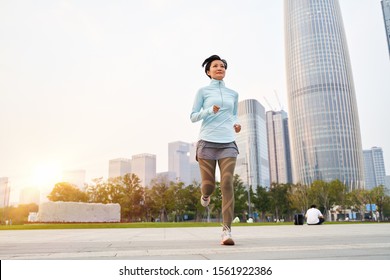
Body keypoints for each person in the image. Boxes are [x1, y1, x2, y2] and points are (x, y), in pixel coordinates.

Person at [190, 54, 241, 245]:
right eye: (215, 66)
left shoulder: (233, 94)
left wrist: (237, 124)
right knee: (209, 185)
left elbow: (234, 115)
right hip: (207, 143)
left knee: (227, 182)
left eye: (222, 66)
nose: (220, 68)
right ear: (208, 71)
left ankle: (226, 231)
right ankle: (205, 195)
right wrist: (209, 110)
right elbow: (193, 116)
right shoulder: (202, 92)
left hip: (227, 142)